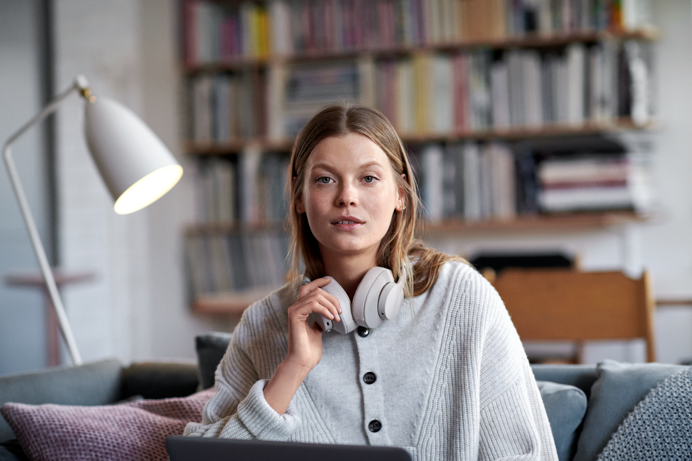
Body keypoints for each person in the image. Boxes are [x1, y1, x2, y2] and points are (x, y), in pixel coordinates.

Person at [184, 104, 558, 460]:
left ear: (400, 194)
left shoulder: (462, 298)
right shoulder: (260, 325)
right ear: (299, 198)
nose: (347, 197)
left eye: (368, 178)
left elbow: (527, 453)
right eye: (325, 179)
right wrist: (293, 369)